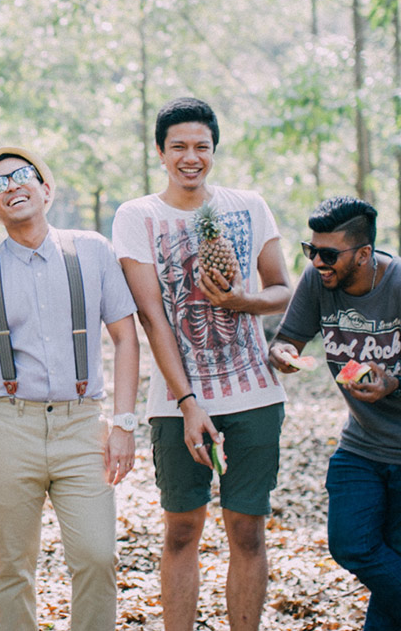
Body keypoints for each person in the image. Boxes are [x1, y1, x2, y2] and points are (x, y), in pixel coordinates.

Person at [111, 97, 291, 631]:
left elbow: (283, 288)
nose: (191, 157)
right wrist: (188, 403)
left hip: (254, 394)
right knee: (182, 530)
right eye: (179, 147)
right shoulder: (138, 216)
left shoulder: (250, 206)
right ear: (161, 153)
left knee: (248, 531)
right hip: (175, 402)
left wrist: (244, 303)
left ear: (214, 149)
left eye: (201, 147)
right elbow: (152, 317)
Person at [0, 145, 139, 631]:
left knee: (96, 556)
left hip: (82, 424)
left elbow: (125, 338)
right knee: (12, 564)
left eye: (23, 175)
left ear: (46, 189)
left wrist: (124, 423)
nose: (13, 186)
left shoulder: (92, 250)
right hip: (9, 426)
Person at [268, 196, 401, 631]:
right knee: (351, 544)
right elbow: (289, 339)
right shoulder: (319, 279)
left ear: (363, 254)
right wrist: (282, 354)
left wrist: (394, 382)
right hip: (362, 441)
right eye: (311, 250)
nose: (318, 261)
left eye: (329, 254)